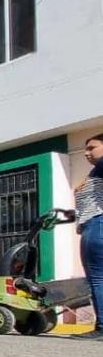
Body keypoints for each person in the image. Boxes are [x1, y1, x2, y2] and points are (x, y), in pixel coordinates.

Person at [74, 133, 103, 340]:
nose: (86, 153)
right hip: (91, 224)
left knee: (98, 278)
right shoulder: (95, 171)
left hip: (97, 224)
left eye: (91, 148)